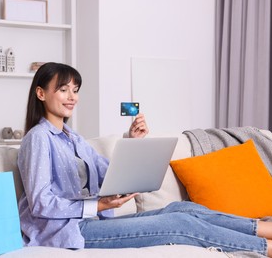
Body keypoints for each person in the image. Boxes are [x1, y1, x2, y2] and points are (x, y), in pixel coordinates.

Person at [17, 62, 272, 256]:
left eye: (75, 90)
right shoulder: (38, 138)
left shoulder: (72, 138)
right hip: (66, 232)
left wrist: (132, 143)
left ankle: (264, 229)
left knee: (181, 208)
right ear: (41, 93)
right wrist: (100, 206)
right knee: (179, 222)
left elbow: (110, 174)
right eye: (63, 90)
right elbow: (41, 203)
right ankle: (264, 248)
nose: (72, 97)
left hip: (89, 222)